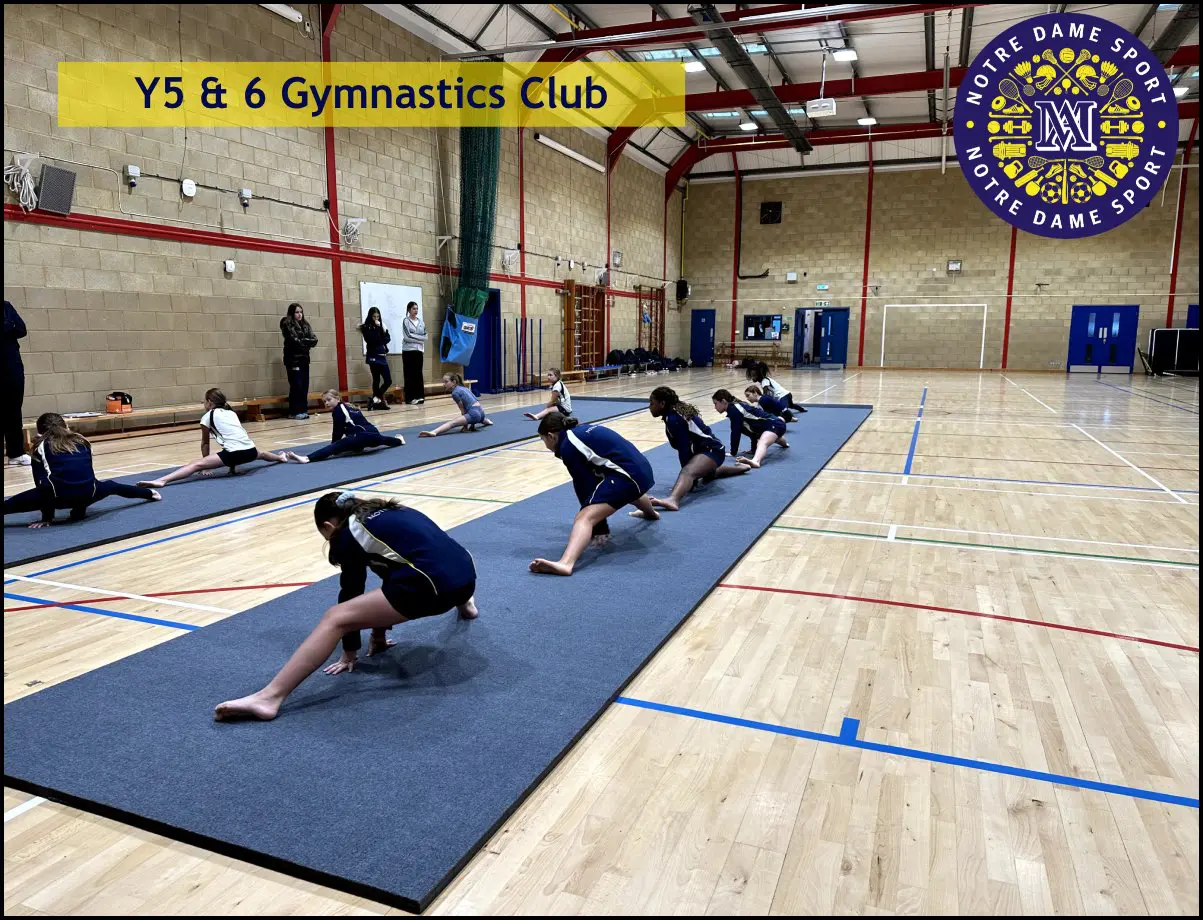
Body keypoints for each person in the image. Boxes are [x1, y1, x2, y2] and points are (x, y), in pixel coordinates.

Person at [214, 491, 478, 721]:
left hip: (434, 589)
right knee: (423, 561)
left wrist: (350, 650)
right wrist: (378, 635)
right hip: (467, 579)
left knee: (335, 618)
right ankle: (466, 607)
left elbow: (352, 592)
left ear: (328, 526)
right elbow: (394, 574)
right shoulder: (393, 510)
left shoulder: (349, 532)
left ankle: (268, 698)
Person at [529, 414, 658, 577]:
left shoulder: (569, 446)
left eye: (543, 440)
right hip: (642, 470)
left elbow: (585, 485)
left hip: (629, 476)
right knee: (623, 491)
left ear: (551, 436)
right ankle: (651, 513)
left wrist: (599, 527)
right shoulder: (582, 430)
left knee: (584, 518)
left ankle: (566, 563)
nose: (546, 445)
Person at [3, 413, 161, 527]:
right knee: (112, 486)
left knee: (12, 504)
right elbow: (85, 476)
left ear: (39, 432)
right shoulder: (82, 441)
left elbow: (43, 486)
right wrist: (79, 512)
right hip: (89, 494)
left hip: (59, 498)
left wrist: (47, 518)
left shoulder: (40, 447)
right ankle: (150, 493)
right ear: (66, 427)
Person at [137, 388, 307, 488]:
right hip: (249, 451)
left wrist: (204, 466)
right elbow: (235, 438)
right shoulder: (231, 413)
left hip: (236, 454)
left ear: (209, 402)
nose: (203, 404)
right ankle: (280, 457)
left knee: (195, 464)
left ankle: (162, 481)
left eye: (204, 402)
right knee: (260, 454)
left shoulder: (207, 417)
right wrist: (232, 469)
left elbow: (205, 443)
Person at [646, 386, 746, 512]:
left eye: (652, 403)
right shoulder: (674, 413)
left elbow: (684, 449)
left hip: (711, 450)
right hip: (706, 450)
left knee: (688, 472)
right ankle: (742, 467)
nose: (649, 407)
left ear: (662, 404)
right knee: (708, 474)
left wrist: (689, 480)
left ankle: (673, 500)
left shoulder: (674, 419)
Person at [307, 390, 405, 461]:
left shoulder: (338, 410)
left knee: (335, 447)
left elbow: (337, 431)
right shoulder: (349, 407)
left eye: (329, 400)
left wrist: (334, 446)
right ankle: (399, 441)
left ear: (337, 399)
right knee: (384, 440)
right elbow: (360, 423)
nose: (327, 403)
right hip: (373, 434)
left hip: (362, 436)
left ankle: (308, 458)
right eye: (324, 401)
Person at [712, 388, 788, 470]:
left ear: (723, 401)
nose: (715, 407)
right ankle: (784, 443)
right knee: (771, 435)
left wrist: (733, 452)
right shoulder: (736, 406)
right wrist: (753, 449)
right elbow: (752, 431)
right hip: (775, 425)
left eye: (715, 404)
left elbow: (735, 432)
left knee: (762, 442)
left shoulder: (734, 410)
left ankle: (756, 461)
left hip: (775, 424)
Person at [419, 374, 493, 437]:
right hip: (481, 412)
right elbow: (475, 401)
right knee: (476, 417)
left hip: (474, 414)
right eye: (443, 382)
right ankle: (487, 421)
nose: (444, 384)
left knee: (452, 423)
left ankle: (434, 432)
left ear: (454, 382)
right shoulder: (464, 388)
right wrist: (472, 425)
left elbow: (463, 411)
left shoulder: (455, 393)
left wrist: (465, 427)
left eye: (446, 382)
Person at [280, 302, 318, 420]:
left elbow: (314, 340)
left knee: (305, 385)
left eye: (301, 312)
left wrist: (304, 341)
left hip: (304, 359)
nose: (300, 314)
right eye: (297, 312)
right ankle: (294, 411)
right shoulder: (287, 324)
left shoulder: (306, 325)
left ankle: (303, 409)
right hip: (293, 360)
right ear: (292, 313)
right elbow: (294, 341)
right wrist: (306, 342)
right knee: (296, 385)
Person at [4, 300, 30, 466]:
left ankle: (16, 453)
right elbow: (12, 328)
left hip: (11, 365)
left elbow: (21, 329)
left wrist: (8, 326)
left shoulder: (6, 306)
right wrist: (9, 326)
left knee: (13, 409)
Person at [359, 307, 393, 411]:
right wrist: (378, 330)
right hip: (373, 356)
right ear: (370, 316)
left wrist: (381, 328)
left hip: (382, 355)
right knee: (376, 380)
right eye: (374, 317)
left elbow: (387, 338)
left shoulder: (382, 325)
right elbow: (372, 340)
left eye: (378, 316)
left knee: (388, 381)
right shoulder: (366, 327)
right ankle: (378, 403)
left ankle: (374, 400)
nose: (376, 319)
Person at [401, 301, 427, 405]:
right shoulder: (406, 321)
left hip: (419, 351)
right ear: (409, 310)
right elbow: (407, 337)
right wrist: (419, 338)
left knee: (418, 374)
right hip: (408, 351)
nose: (415, 310)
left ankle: (419, 396)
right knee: (409, 374)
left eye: (417, 308)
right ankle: (409, 398)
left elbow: (425, 337)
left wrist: (415, 337)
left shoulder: (421, 322)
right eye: (413, 308)